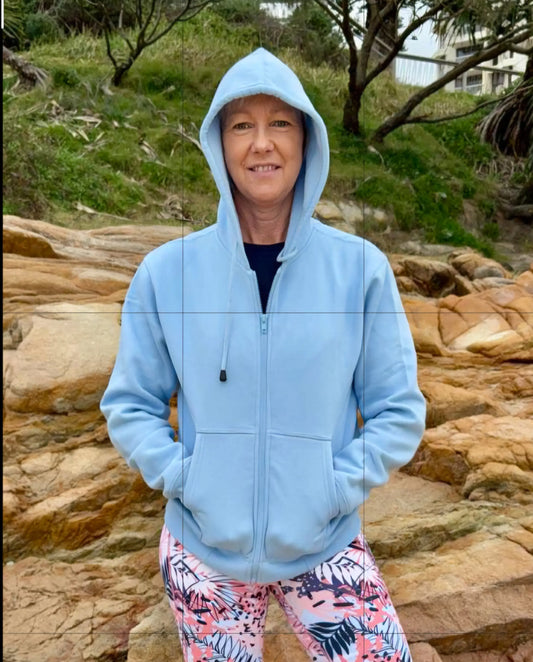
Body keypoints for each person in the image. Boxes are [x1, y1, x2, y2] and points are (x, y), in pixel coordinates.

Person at [100, 47, 426, 662]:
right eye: (240, 125)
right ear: (218, 144)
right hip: (203, 554)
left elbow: (398, 409)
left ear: (307, 140)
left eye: (280, 123)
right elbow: (131, 404)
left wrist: (335, 489)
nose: (261, 144)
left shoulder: (360, 269)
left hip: (326, 545)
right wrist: (186, 478)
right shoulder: (167, 273)